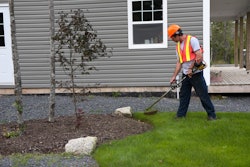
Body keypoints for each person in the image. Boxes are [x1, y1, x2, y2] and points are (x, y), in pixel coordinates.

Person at [168, 24, 216, 120]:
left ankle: (211, 115)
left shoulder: (192, 40)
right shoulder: (177, 46)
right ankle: (181, 116)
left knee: (203, 95)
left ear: (177, 35)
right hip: (185, 74)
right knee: (184, 96)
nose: (172, 40)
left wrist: (191, 68)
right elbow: (179, 62)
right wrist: (174, 76)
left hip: (196, 74)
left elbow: (199, 56)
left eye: (172, 38)